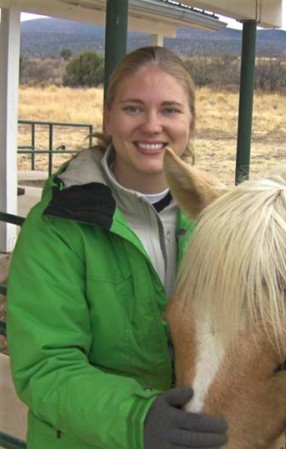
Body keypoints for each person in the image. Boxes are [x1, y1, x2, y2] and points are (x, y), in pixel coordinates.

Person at [7, 46, 227, 449]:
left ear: (191, 123)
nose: (152, 125)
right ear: (108, 117)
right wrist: (138, 420)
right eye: (133, 109)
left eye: (170, 110)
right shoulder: (61, 222)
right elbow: (45, 366)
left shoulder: (219, 220)